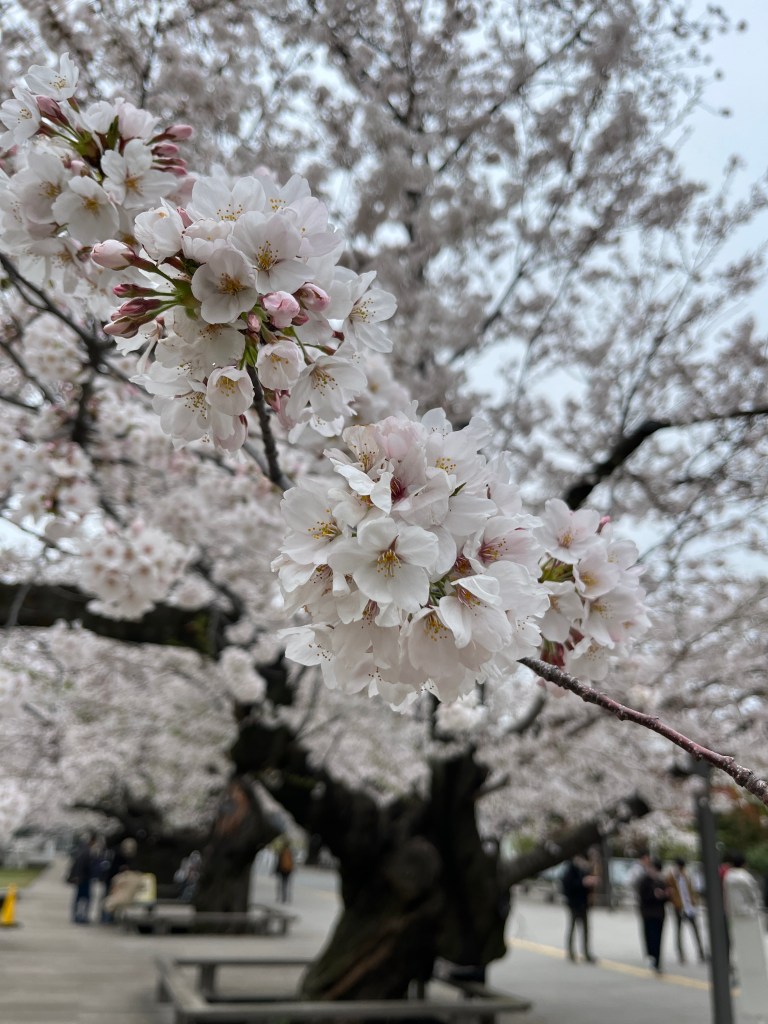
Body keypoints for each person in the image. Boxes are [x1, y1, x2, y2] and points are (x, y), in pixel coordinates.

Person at [666, 857, 706, 963]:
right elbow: (670, 891)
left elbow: (691, 890)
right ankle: (681, 954)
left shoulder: (687, 876)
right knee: (679, 931)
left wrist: (694, 902)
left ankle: (701, 953)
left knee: (695, 930)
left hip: (689, 907)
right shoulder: (672, 877)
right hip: (679, 907)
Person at [636, 852, 669, 973]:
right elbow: (642, 897)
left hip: (659, 914)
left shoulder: (661, 881)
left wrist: (665, 895)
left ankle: (658, 960)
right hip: (648, 913)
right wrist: (654, 895)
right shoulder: (644, 881)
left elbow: (667, 898)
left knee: (659, 938)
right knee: (650, 936)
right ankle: (651, 956)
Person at [561, 855, 598, 963]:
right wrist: (583, 882)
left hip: (583, 903)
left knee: (586, 929)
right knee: (572, 927)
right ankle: (571, 952)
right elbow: (568, 886)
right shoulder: (570, 870)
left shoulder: (583, 870)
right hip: (574, 903)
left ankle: (586, 952)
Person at [67, 832, 100, 924]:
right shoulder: (87, 851)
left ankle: (78, 916)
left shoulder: (82, 850)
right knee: (84, 898)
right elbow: (83, 865)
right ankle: (81, 916)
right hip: (84, 878)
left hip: (82, 878)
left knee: (80, 898)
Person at [274, 838, 294, 903]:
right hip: (288, 870)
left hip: (282, 870)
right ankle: (287, 897)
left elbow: (278, 862)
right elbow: (292, 862)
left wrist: (276, 870)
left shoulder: (281, 851)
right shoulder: (290, 852)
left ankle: (281, 897)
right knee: (287, 884)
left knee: (282, 884)